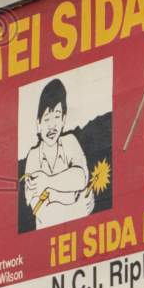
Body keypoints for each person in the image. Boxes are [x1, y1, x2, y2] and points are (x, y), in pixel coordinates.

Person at [23, 78, 92, 230]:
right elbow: (41, 212)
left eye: (57, 117)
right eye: (47, 118)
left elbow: (81, 178)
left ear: (63, 120)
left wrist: (48, 184)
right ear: (38, 124)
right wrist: (73, 199)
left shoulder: (70, 142)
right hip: (44, 245)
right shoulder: (33, 157)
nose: (52, 126)